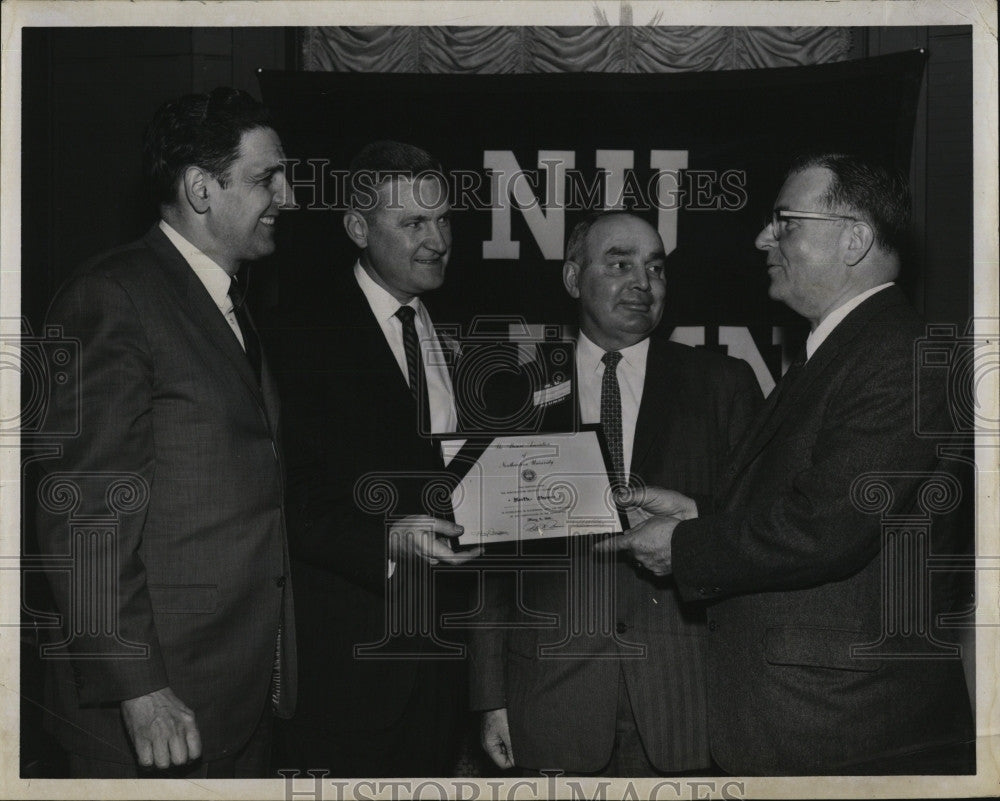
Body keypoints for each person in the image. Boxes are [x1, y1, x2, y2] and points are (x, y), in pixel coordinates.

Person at [597, 154, 975, 774]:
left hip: (846, 729)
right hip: (810, 722)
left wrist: (688, 545)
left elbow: (828, 528)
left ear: (852, 240)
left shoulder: (897, 355)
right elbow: (816, 500)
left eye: (786, 222)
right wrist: (701, 511)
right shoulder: (843, 348)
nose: (762, 238)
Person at [35, 87, 296, 778]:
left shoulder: (226, 302)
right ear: (201, 189)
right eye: (267, 177)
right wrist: (137, 685)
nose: (289, 195)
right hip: (157, 710)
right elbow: (83, 509)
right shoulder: (116, 297)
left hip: (232, 698)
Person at [470, 211, 762, 775]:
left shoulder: (724, 385)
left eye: (655, 268)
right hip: (551, 699)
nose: (642, 283)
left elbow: (756, 531)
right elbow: (490, 564)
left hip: (686, 697)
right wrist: (489, 697)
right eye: (620, 263)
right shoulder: (514, 395)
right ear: (573, 279)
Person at [272, 140, 480, 777]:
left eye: (443, 219)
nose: (437, 239)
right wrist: (389, 540)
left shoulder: (448, 332)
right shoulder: (299, 335)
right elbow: (293, 503)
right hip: (352, 668)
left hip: (444, 667)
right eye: (413, 223)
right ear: (357, 228)